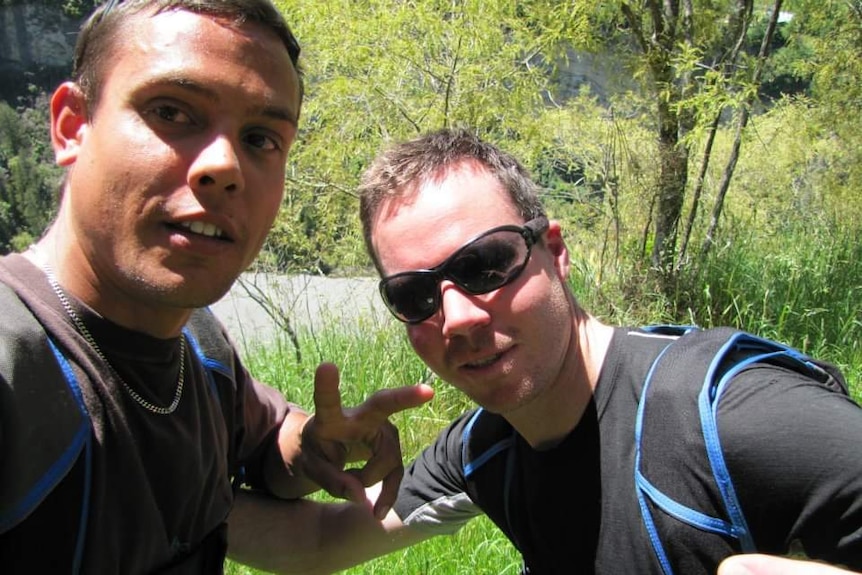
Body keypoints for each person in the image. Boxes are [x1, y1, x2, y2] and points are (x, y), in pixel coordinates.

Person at [0, 1, 433, 573]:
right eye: (172, 112)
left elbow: (266, 441)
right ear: (72, 126)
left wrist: (312, 446)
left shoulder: (199, 345)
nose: (224, 165)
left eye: (260, 138)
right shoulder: (17, 359)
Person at [335, 127, 861, 574]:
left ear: (555, 253)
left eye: (486, 264)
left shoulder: (724, 417)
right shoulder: (484, 450)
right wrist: (278, 446)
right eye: (414, 294)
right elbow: (316, 541)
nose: (459, 319)